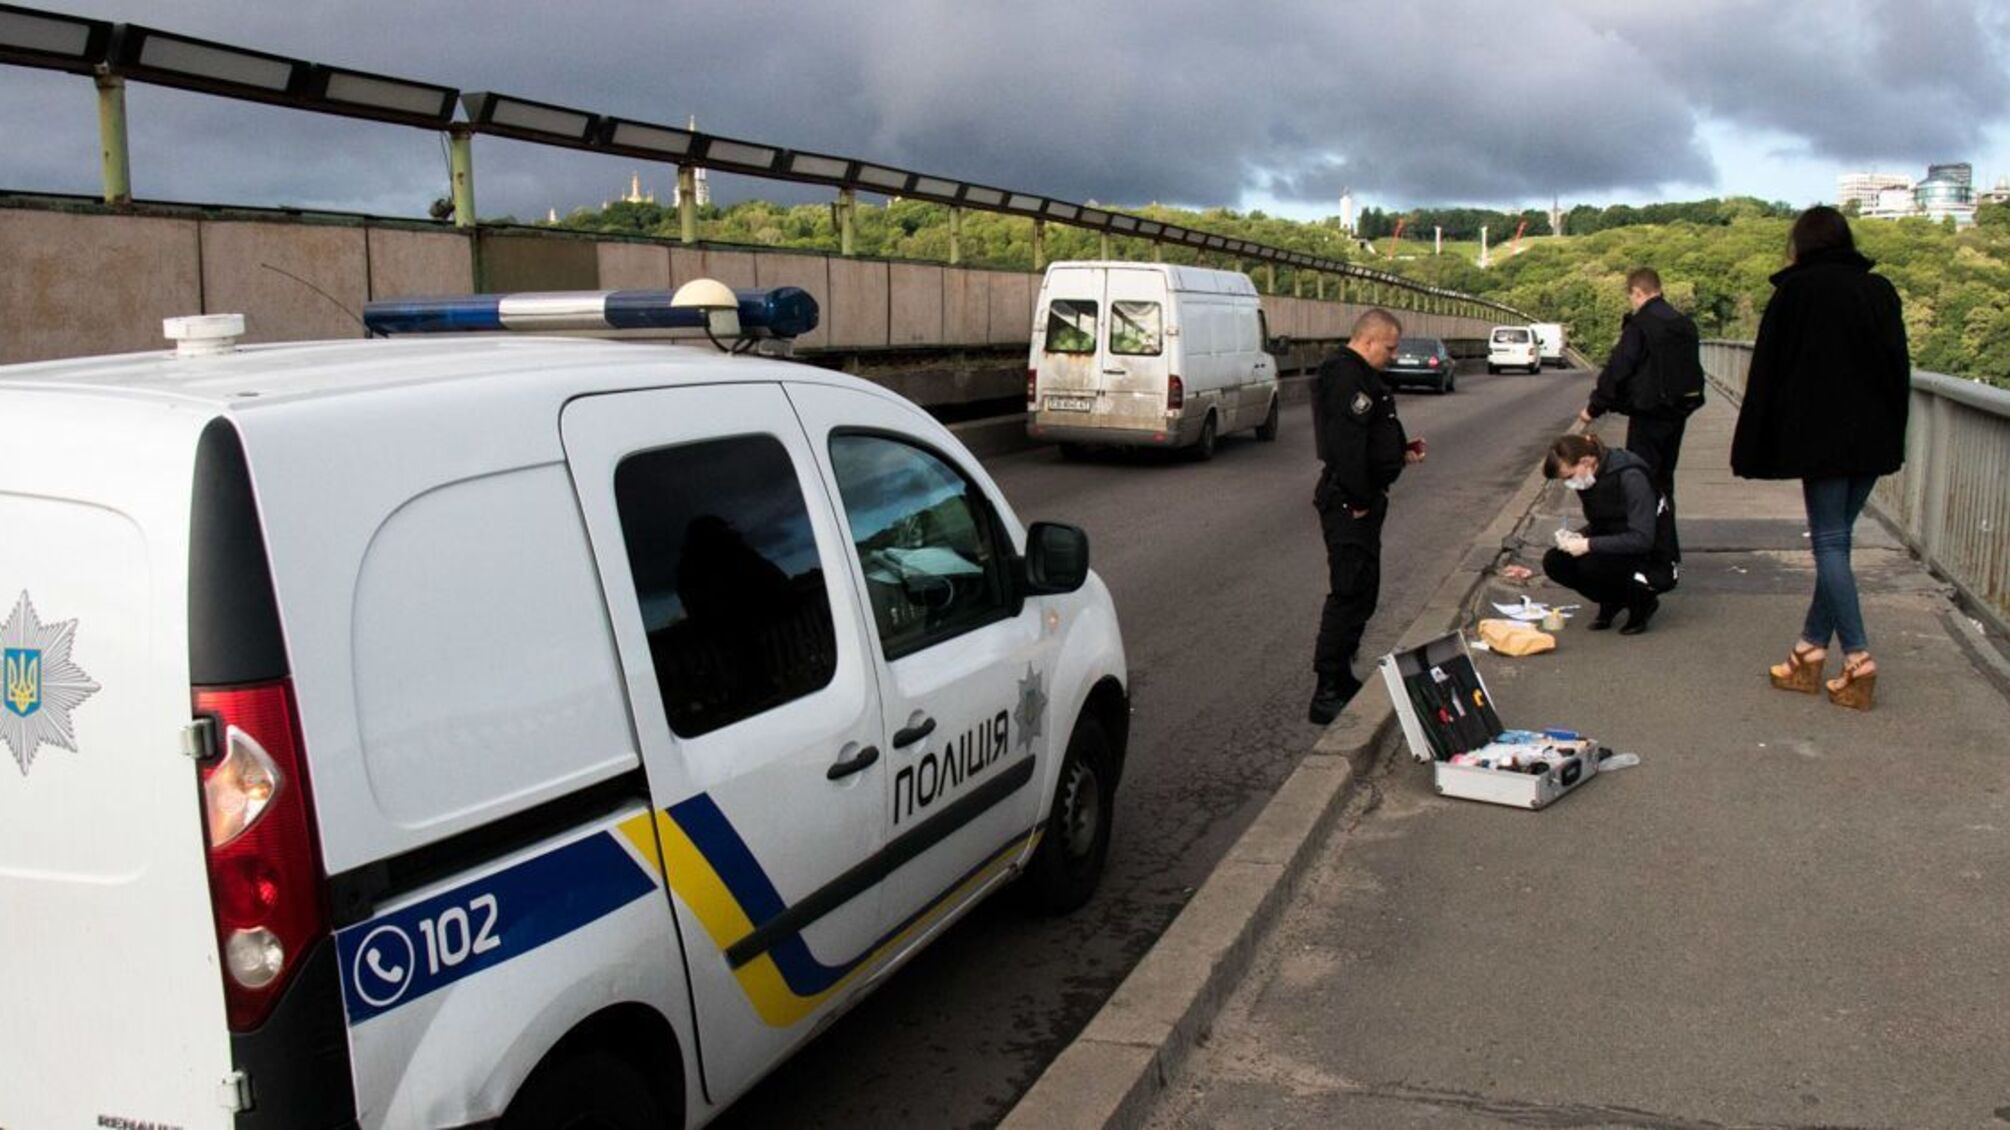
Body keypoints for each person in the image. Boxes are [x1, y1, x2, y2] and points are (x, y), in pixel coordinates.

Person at [1731, 205, 1909, 711]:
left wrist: (1753, 443)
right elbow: (1899, 370)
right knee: (1838, 546)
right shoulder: (1878, 291)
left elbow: (1767, 375)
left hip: (1822, 442)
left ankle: (1857, 659)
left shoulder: (1795, 294)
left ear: (1802, 244)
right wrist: (1895, 438)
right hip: (1873, 441)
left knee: (1830, 545)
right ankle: (1807, 653)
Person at [1308, 308, 1425, 723]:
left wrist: (1400, 451)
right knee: (1349, 590)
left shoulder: (1361, 374)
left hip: (1363, 497)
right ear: (1369, 340)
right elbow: (1346, 444)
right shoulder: (1344, 374)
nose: (1393, 355)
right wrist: (1358, 497)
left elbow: (1371, 434)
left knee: (1364, 590)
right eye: (1390, 348)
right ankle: (1327, 690)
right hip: (1349, 500)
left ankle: (1341, 677)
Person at [1576, 268, 1705, 560]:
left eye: (1631, 297)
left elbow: (1619, 368)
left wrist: (1593, 407)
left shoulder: (1642, 324)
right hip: (1678, 412)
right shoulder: (1684, 324)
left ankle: (1644, 552)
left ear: (1637, 292)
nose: (1632, 303)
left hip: (1648, 414)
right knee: (1664, 482)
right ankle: (1668, 551)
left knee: (1640, 483)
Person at [1541, 433, 1666, 635]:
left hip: (1646, 551)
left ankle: (1642, 603)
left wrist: (1588, 545)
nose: (1569, 484)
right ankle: (1611, 600)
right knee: (1555, 561)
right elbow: (1602, 522)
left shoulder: (1631, 476)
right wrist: (1578, 536)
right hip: (1614, 540)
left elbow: (1642, 539)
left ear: (1586, 461)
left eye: (1569, 476)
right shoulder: (1590, 477)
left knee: (1591, 565)